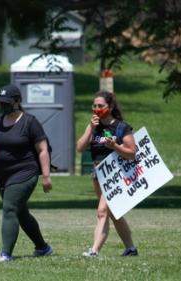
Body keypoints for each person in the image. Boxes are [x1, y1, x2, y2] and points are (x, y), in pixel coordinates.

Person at [0, 84, 53, 262]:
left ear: (17, 101)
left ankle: (5, 253)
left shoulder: (29, 122)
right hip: (3, 176)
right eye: (1, 102)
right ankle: (43, 247)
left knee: (9, 209)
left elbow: (43, 150)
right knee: (20, 212)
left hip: (25, 172)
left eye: (7, 102)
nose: (3, 105)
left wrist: (46, 177)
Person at [76, 90, 138, 257]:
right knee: (113, 212)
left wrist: (115, 147)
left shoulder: (121, 127)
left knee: (102, 211)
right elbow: (80, 148)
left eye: (101, 106)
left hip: (116, 175)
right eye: (94, 106)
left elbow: (132, 152)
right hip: (98, 174)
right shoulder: (93, 127)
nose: (97, 109)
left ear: (109, 107)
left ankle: (94, 251)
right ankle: (131, 248)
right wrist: (91, 128)